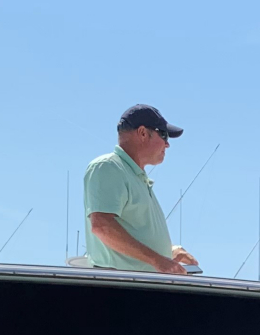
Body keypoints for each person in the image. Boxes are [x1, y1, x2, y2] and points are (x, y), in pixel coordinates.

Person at [82, 105, 200, 274]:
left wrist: (167, 253)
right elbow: (102, 226)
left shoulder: (133, 176)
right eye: (164, 135)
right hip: (123, 287)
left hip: (140, 285)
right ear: (143, 133)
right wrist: (157, 260)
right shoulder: (108, 167)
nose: (167, 144)